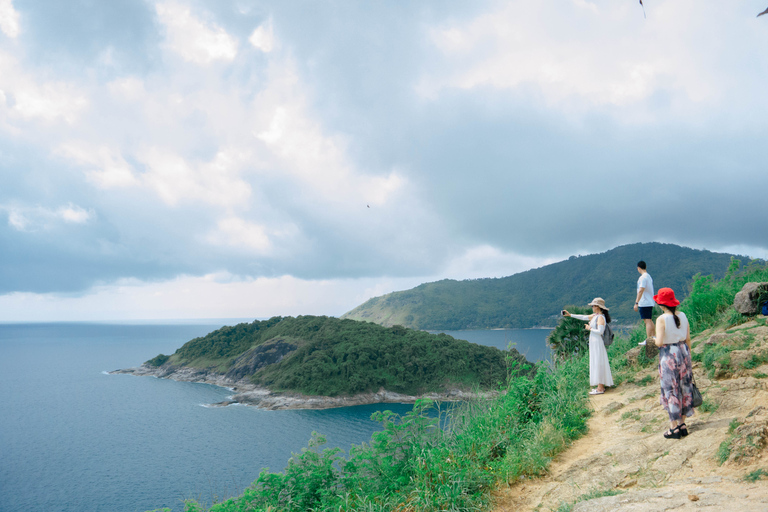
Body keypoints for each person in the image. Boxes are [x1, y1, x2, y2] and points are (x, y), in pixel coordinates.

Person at [653, 287, 693, 439]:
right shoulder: (683, 315)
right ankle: (682, 424)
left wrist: (650, 341)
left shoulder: (661, 319)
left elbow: (659, 342)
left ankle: (673, 428)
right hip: (683, 351)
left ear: (661, 304)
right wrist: (689, 356)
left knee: (670, 389)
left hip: (669, 354)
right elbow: (688, 338)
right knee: (684, 386)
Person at [563, 298, 614, 395]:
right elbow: (583, 317)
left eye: (593, 306)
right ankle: (600, 386)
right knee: (596, 362)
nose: (592, 307)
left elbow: (600, 332)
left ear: (598, 307)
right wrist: (570, 315)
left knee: (598, 362)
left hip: (597, 342)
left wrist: (589, 328)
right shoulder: (596, 316)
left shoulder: (600, 318)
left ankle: (600, 388)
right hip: (594, 342)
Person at [634, 261, 656, 346]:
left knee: (647, 321)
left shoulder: (642, 278)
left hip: (644, 302)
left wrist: (636, 302)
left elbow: (641, 290)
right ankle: (653, 336)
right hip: (650, 301)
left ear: (638, 268)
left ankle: (648, 339)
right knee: (649, 320)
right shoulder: (649, 276)